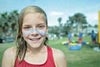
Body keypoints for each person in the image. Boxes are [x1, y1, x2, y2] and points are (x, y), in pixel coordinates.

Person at [2, 5, 67, 67]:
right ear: (21, 31)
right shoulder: (10, 55)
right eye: (27, 27)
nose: (34, 33)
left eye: (40, 26)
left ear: (46, 29)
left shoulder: (58, 57)